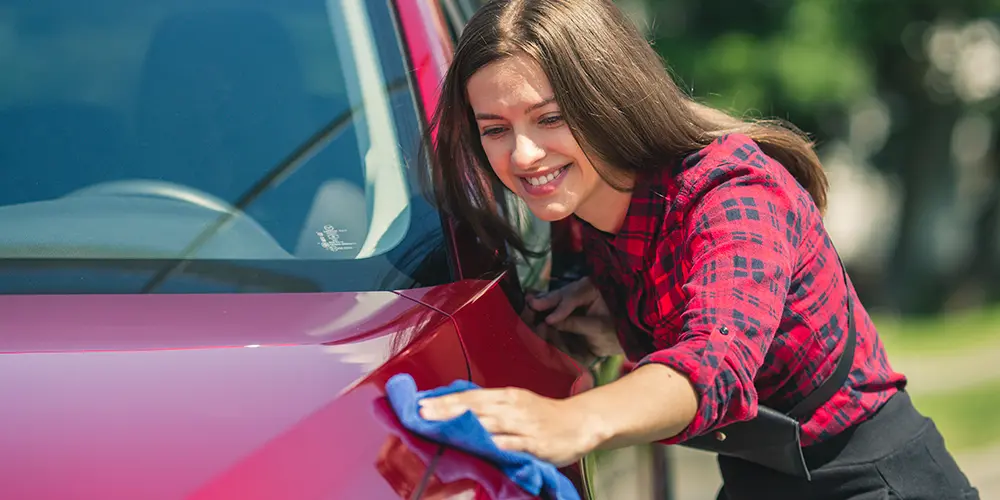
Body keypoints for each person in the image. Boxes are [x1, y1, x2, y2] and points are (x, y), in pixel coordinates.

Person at [415, 0, 980, 498]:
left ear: (608, 99)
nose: (524, 155)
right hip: (757, 476)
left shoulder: (733, 197)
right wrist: (619, 319)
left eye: (550, 118)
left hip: (873, 478)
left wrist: (571, 421)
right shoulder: (575, 211)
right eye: (495, 129)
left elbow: (716, 360)